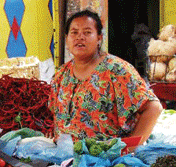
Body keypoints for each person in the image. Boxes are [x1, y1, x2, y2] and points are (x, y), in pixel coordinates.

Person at [49, 9, 163, 149]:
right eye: (74, 32)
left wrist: (130, 149)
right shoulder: (61, 75)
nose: (80, 37)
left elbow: (153, 108)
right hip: (64, 160)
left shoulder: (117, 71)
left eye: (87, 32)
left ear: (99, 38)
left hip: (106, 161)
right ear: (67, 39)